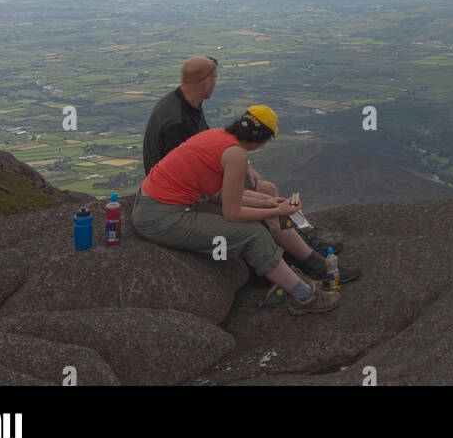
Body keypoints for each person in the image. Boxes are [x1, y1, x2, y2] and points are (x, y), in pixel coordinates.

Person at [140, 56, 353, 280]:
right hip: (181, 197)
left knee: (266, 191)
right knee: (266, 197)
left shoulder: (186, 103)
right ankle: (306, 258)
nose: (216, 83)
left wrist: (245, 167)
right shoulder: (178, 120)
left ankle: (305, 251)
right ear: (205, 83)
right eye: (215, 78)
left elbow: (208, 150)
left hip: (191, 185)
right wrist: (266, 203)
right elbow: (199, 183)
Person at [132, 105, 338, 315]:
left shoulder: (216, 137)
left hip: (152, 204)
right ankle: (305, 296)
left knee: (266, 214)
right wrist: (272, 210)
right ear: (262, 139)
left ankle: (313, 265)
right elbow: (232, 213)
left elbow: (218, 195)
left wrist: (271, 204)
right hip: (161, 217)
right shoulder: (236, 156)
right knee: (253, 234)